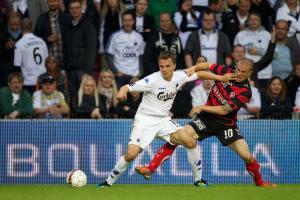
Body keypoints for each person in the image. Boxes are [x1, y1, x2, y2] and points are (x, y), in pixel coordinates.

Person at [98, 51, 234, 187]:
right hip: (145, 120)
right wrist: (122, 90)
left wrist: (220, 78)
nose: (164, 69)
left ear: (174, 66)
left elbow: (199, 74)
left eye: (167, 66)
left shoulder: (180, 76)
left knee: (190, 142)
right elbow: (127, 87)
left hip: (163, 120)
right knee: (131, 154)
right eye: (161, 66)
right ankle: (108, 182)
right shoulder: (152, 79)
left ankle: (198, 180)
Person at [135, 59, 277, 187]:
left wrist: (200, 107)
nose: (238, 73)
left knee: (246, 156)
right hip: (206, 119)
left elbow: (224, 110)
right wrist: (194, 67)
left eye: (243, 72)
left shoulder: (245, 91)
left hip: (226, 124)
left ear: (250, 73)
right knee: (179, 137)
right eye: (238, 69)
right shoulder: (227, 72)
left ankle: (259, 182)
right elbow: (208, 65)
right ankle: (150, 169)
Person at [63, 0, 97, 97]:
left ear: (81, 9)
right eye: (72, 8)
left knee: (84, 96)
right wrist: (65, 68)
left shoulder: (88, 26)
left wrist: (87, 71)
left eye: (77, 8)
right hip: (70, 69)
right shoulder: (68, 26)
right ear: (69, 10)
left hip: (83, 70)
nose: (74, 10)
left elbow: (91, 50)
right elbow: (65, 48)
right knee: (72, 96)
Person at [105, 10, 144, 88]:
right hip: (120, 76)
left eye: (130, 20)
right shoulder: (115, 36)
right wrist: (115, 72)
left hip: (135, 75)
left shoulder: (139, 37)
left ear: (133, 21)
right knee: (120, 99)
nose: (127, 23)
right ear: (122, 22)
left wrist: (140, 72)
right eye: (125, 20)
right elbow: (109, 55)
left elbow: (140, 56)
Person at [13, 18, 48, 95]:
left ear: (20, 27)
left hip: (28, 82)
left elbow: (17, 67)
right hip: (43, 80)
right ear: (32, 27)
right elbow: (47, 61)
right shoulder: (42, 41)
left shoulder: (19, 44)